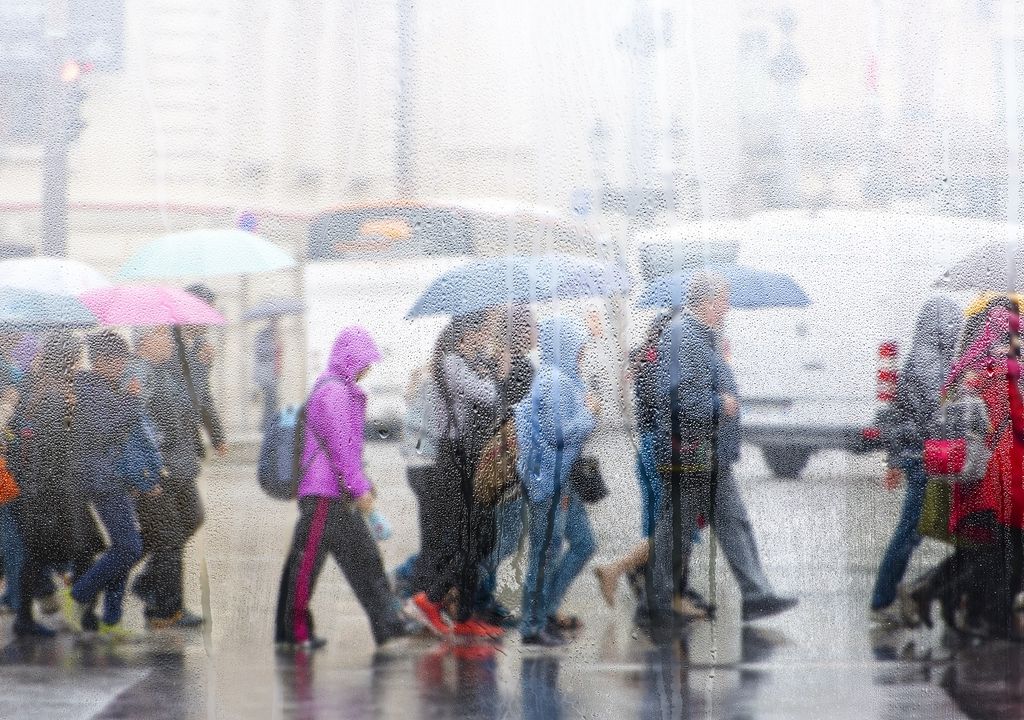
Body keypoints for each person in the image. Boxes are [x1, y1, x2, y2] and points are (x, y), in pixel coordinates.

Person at [641, 272, 796, 635]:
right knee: (675, 528)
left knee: (723, 523)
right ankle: (659, 600)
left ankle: (755, 595)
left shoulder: (701, 337)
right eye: (723, 300)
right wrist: (719, 404)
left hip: (705, 453)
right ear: (708, 303)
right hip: (693, 451)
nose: (727, 307)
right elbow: (680, 398)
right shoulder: (687, 339)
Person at [274, 326, 410, 650]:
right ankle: (293, 631)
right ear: (351, 359)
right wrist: (360, 488)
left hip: (337, 492)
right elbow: (340, 446)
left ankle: (388, 623)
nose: (369, 368)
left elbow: (347, 450)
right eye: (365, 360)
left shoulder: (340, 389)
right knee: (306, 563)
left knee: (365, 559)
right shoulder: (334, 392)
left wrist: (361, 484)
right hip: (323, 493)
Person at [409, 309, 507, 640]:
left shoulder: (457, 363)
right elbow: (489, 395)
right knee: (462, 539)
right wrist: (495, 371)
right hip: (447, 461)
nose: (485, 341)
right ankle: (430, 600)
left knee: (473, 537)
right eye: (482, 334)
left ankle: (463, 615)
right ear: (468, 334)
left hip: (456, 457)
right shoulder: (451, 364)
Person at [61, 331, 159, 640]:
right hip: (101, 479)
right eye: (119, 359)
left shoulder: (103, 387)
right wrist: (131, 402)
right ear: (102, 360)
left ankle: (112, 618)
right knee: (130, 547)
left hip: (115, 475)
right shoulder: (89, 389)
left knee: (124, 547)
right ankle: (78, 594)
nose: (123, 365)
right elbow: (105, 431)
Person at [870, 297, 962, 625]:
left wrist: (895, 459)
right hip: (925, 457)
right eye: (952, 323)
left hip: (918, 455)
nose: (957, 330)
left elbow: (901, 413)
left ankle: (943, 592)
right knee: (912, 531)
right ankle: (885, 599)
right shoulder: (929, 362)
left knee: (927, 529)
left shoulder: (925, 357)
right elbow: (938, 413)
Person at [515, 316, 598, 646]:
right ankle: (532, 625)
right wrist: (589, 412)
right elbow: (557, 434)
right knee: (545, 551)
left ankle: (545, 611)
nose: (582, 354)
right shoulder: (554, 382)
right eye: (578, 348)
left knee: (583, 543)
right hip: (549, 482)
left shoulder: (564, 379)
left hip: (561, 479)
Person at [128, 326, 206, 629]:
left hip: (179, 465)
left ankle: (149, 584)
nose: (169, 341)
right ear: (145, 341)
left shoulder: (162, 370)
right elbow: (135, 420)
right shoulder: (138, 372)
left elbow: (191, 403)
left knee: (192, 517)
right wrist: (148, 465)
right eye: (161, 335)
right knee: (168, 539)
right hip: (157, 469)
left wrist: (202, 366)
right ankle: (165, 610)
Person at [5, 332, 81, 637]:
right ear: (67, 362)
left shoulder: (42, 390)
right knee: (41, 552)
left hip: (39, 483)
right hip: (48, 486)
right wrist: (72, 417)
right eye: (76, 360)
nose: (78, 366)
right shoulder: (53, 398)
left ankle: (33, 611)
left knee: (38, 552)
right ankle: (28, 617)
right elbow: (55, 447)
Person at [182, 284, 227, 458]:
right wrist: (197, 364)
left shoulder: (201, 346)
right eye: (207, 311)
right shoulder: (166, 344)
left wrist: (216, 436)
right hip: (168, 442)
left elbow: (203, 395)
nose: (211, 317)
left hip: (188, 440)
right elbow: (176, 393)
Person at [253, 317, 283, 430]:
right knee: (270, 399)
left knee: (272, 399)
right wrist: (274, 346)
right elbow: (261, 352)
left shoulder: (276, 334)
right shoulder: (263, 335)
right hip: (266, 374)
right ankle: (267, 425)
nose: (277, 323)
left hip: (274, 374)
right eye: (275, 321)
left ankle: (268, 424)